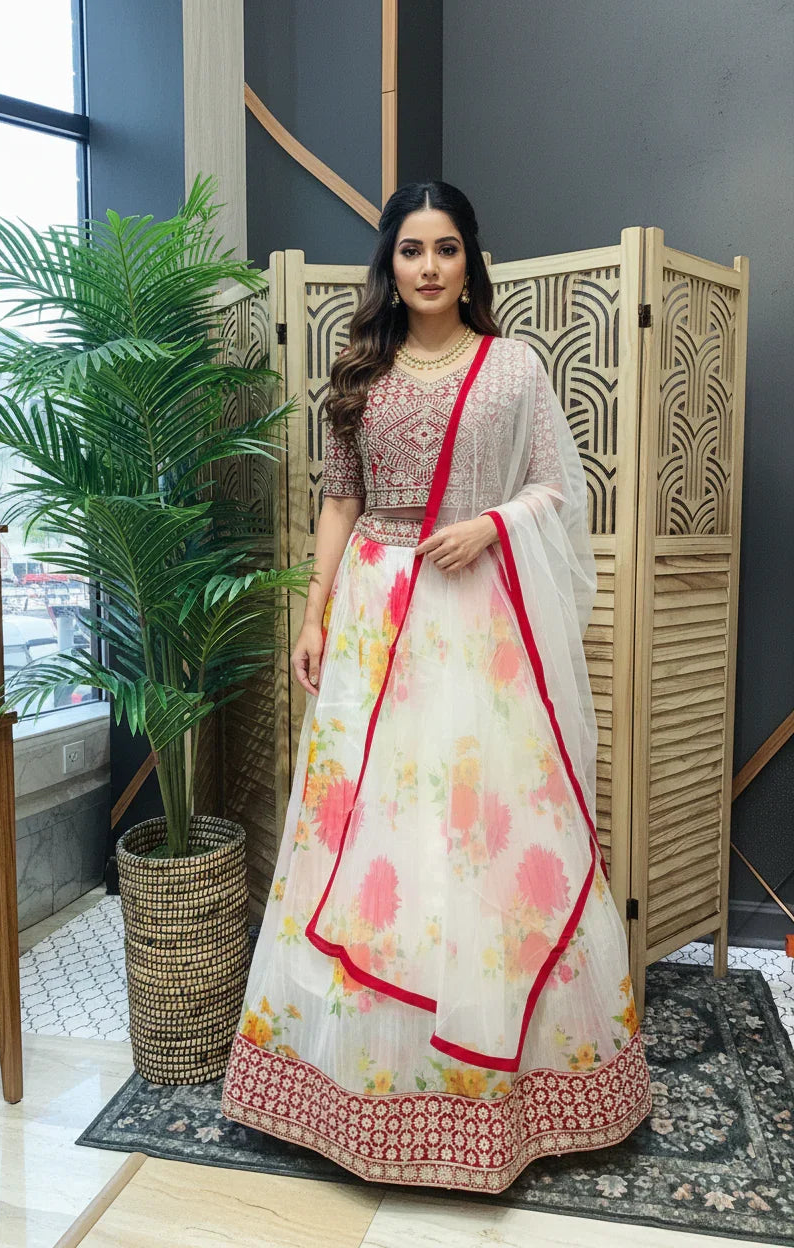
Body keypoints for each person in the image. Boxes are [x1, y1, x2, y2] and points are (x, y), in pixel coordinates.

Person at [220, 180, 652, 1192]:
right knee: (368, 832)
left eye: (445, 248)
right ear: (388, 262)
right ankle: (352, 1084)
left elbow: (554, 485)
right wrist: (315, 608)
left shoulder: (511, 368)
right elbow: (340, 498)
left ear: (471, 261)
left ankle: (502, 1094)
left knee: (481, 832)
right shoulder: (358, 372)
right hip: (376, 612)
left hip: (473, 619)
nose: (426, 267)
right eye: (410, 249)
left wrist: (491, 524)